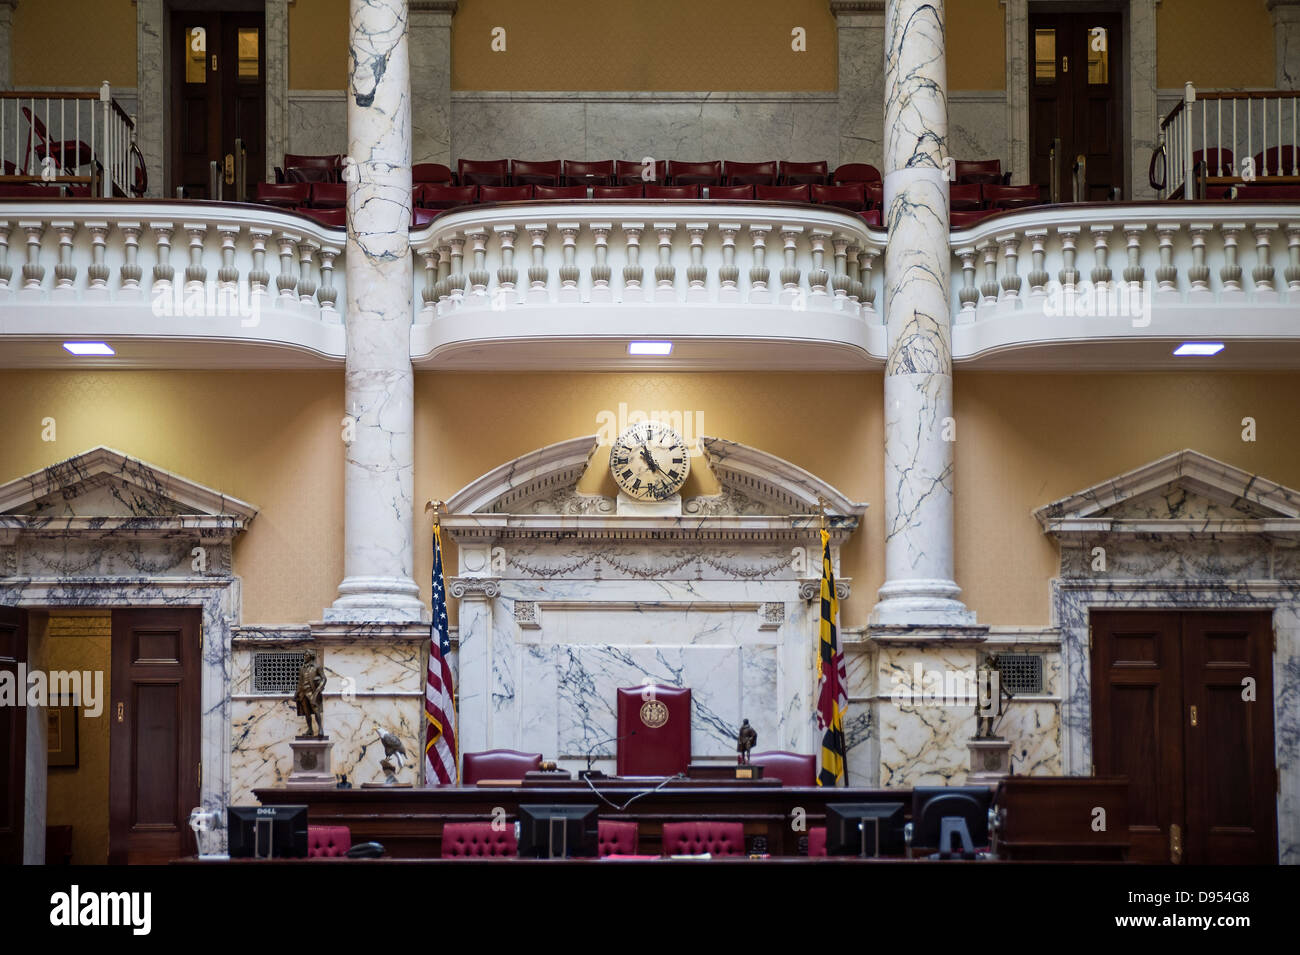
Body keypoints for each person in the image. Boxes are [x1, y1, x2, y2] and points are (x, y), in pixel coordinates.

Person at [294, 649, 326, 737]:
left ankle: (320, 729)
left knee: (316, 711)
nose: (304, 657)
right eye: (304, 655)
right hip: (303, 693)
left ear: (311, 656)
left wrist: (319, 689)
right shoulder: (302, 668)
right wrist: (296, 693)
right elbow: (300, 682)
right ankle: (310, 729)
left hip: (312, 693)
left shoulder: (317, 667)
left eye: (306, 655)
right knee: (306, 713)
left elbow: (324, 679)